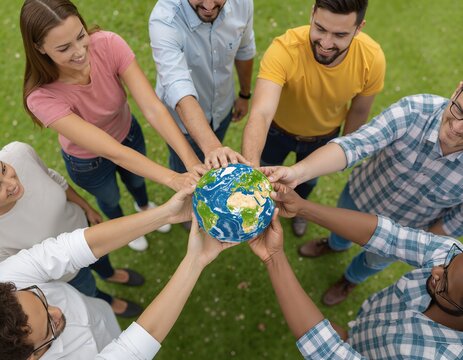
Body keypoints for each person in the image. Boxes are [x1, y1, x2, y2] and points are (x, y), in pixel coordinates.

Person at [20, 0, 201, 252]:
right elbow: (110, 150)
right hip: (88, 161)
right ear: (39, 48)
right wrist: (173, 178)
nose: (80, 51)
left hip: (128, 134)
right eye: (64, 48)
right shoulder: (40, 97)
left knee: (138, 182)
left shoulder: (108, 44)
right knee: (109, 198)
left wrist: (191, 161)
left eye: (81, 35)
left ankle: (144, 206)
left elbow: (153, 108)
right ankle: (123, 225)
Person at [262, 82, 463, 305]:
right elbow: (356, 144)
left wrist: (419, 245)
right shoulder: (417, 109)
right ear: (457, 90)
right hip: (361, 196)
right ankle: (335, 244)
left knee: (372, 263)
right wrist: (298, 172)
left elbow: (453, 223)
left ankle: (349, 280)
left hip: (407, 231)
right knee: (339, 232)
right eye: (460, 110)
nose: (458, 127)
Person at [0, 185, 235, 360]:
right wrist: (196, 260)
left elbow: (75, 248)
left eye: (40, 298)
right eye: (50, 324)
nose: (57, 310)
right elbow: (130, 350)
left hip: (100, 315)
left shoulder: (6, 280)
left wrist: (168, 214)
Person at [248, 183, 463, 359]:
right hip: (364, 331)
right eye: (449, 263)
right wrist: (302, 207)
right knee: (348, 337)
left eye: (443, 282)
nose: (436, 269)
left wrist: (274, 257)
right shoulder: (450, 255)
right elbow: (390, 236)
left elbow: (331, 352)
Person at [242, 0, 385, 237]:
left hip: (324, 139)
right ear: (312, 14)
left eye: (339, 34)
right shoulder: (284, 49)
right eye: (320, 29)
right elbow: (261, 112)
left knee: (306, 183)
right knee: (264, 170)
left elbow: (359, 110)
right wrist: (249, 170)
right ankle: (259, 211)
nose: (326, 43)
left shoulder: (372, 58)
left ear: (359, 28)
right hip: (275, 132)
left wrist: (345, 151)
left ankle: (297, 212)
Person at [0, 141, 143, 318]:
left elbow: (55, 179)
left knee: (102, 260)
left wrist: (86, 208)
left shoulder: (19, 153)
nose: (11, 183)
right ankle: (109, 301)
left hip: (84, 231)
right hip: (66, 271)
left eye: (3, 169)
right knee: (88, 290)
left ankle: (110, 274)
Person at [149, 0, 255, 172]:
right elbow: (177, 86)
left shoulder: (243, 3)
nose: (208, 5)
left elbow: (245, 48)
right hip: (182, 126)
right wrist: (213, 148)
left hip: (222, 110)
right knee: (186, 175)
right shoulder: (164, 19)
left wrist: (244, 95)